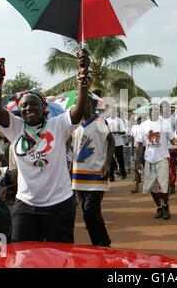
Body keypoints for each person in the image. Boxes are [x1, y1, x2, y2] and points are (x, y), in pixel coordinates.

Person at [0, 50, 90, 243]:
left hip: (58, 204)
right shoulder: (16, 128)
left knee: (59, 257)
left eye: (33, 104)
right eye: (24, 106)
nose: (28, 108)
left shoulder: (57, 124)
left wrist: (83, 77)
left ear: (43, 107)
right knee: (22, 254)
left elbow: (78, 111)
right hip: (26, 205)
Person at [71, 94, 115, 247]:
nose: (83, 105)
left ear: (91, 105)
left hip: (97, 174)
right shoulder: (73, 124)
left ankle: (104, 241)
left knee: (90, 209)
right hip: (78, 175)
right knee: (86, 211)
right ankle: (97, 243)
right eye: (79, 103)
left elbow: (112, 141)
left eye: (86, 103)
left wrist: (107, 164)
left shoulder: (100, 122)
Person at [136, 103, 176, 220]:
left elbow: (172, 139)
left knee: (164, 186)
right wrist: (138, 162)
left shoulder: (165, 123)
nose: (153, 112)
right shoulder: (143, 125)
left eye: (155, 110)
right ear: (148, 112)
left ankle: (166, 207)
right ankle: (159, 207)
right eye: (151, 110)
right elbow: (139, 145)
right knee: (152, 188)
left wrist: (175, 141)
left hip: (162, 158)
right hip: (149, 160)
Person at [160, 101, 177, 194]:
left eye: (166, 107)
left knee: (172, 168)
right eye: (163, 107)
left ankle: (172, 185)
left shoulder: (174, 119)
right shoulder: (158, 120)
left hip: (172, 147)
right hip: (161, 148)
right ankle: (163, 186)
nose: (165, 109)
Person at [106, 107, 127, 181]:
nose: (112, 113)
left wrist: (116, 132)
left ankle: (123, 173)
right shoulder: (106, 120)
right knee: (110, 160)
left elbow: (124, 132)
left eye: (114, 112)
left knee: (120, 159)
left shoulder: (119, 120)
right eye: (111, 112)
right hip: (109, 143)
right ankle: (111, 176)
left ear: (116, 113)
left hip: (118, 143)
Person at [130, 115, 144, 193]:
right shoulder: (133, 127)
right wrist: (132, 147)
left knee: (147, 167)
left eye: (140, 119)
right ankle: (136, 186)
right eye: (138, 119)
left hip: (145, 148)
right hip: (136, 148)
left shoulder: (145, 126)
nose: (139, 120)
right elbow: (132, 138)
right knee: (136, 168)